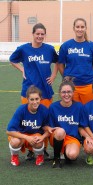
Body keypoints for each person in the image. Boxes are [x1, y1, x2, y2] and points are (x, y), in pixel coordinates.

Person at [9, 23, 58, 160]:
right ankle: (30, 149)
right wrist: (22, 70)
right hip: (28, 91)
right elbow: (12, 60)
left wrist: (54, 75)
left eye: (42, 34)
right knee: (28, 122)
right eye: (38, 34)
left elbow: (58, 61)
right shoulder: (24, 49)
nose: (40, 36)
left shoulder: (49, 49)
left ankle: (43, 149)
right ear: (33, 34)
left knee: (44, 123)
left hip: (46, 92)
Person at [48, 79, 93, 168]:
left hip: (72, 138)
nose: (66, 94)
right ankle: (56, 159)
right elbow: (49, 126)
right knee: (60, 131)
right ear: (60, 93)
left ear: (73, 93)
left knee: (72, 155)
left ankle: (66, 153)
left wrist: (87, 136)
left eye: (69, 92)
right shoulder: (53, 107)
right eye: (63, 92)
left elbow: (80, 127)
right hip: (58, 137)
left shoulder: (79, 106)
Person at [58, 18, 93, 104]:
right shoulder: (66, 45)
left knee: (88, 112)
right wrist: (66, 76)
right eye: (77, 27)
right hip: (71, 86)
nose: (80, 29)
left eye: (82, 27)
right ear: (73, 28)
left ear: (85, 28)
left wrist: (88, 75)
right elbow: (61, 64)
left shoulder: (92, 46)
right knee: (73, 112)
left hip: (88, 85)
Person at [6, 86, 50, 166]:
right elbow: (9, 131)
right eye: (32, 99)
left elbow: (48, 129)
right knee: (15, 142)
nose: (35, 102)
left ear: (40, 98)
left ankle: (40, 155)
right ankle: (14, 156)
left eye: (37, 99)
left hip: (34, 135)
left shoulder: (44, 110)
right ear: (27, 99)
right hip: (21, 136)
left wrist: (42, 137)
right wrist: (26, 137)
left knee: (39, 141)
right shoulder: (21, 110)